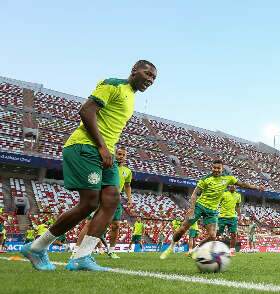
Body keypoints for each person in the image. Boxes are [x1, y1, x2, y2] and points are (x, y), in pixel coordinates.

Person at [21, 60, 157, 271]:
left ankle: (82, 257)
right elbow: (86, 111)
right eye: (147, 74)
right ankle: (37, 247)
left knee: (112, 199)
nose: (150, 80)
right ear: (134, 71)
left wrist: (107, 149)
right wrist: (102, 147)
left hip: (105, 152)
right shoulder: (113, 85)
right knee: (90, 203)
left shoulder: (131, 97)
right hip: (86, 147)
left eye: (153, 78)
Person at [160, 159, 264, 259]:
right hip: (200, 206)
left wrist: (256, 187)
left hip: (212, 211)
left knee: (212, 236)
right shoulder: (206, 179)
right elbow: (195, 193)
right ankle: (171, 247)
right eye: (214, 167)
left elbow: (242, 184)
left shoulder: (228, 178)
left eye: (218, 168)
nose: (216, 170)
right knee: (183, 228)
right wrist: (192, 208)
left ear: (222, 169)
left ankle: (195, 250)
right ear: (212, 167)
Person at [75, 147, 133, 259]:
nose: (121, 156)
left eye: (123, 155)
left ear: (126, 157)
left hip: (116, 200)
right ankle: (76, 249)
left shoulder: (128, 171)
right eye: (119, 154)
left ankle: (111, 251)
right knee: (90, 223)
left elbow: (127, 186)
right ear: (115, 155)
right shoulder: (108, 165)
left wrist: (129, 198)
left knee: (116, 225)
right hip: (102, 196)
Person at [217, 185, 242, 256]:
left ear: (236, 187)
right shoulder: (223, 194)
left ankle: (231, 250)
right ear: (228, 187)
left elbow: (237, 206)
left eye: (234, 185)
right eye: (231, 185)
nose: (233, 187)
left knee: (233, 234)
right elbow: (217, 203)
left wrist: (239, 215)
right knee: (218, 233)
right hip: (222, 217)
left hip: (233, 217)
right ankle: (214, 248)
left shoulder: (238, 195)